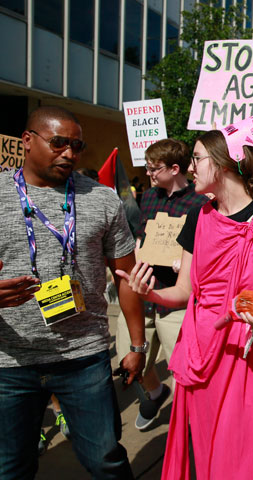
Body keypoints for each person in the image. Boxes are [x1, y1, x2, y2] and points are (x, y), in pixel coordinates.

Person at [117, 126, 253, 479]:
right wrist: (149, 294)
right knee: (206, 446)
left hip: (248, 355)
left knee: (240, 454)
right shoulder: (198, 216)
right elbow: (184, 290)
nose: (190, 167)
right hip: (200, 351)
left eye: (196, 158)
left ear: (223, 164)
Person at [0, 105, 146, 478]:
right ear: (28, 141)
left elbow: (125, 277)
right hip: (10, 363)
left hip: (84, 359)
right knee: (11, 467)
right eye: (59, 143)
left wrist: (137, 345)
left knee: (106, 461)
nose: (69, 153)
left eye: (77, 146)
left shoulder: (102, 199)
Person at [115, 139, 208, 431]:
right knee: (127, 359)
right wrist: (139, 249)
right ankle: (155, 393)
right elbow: (143, 234)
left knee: (183, 368)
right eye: (148, 168)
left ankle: (190, 423)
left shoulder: (202, 202)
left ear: (175, 168)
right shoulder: (149, 198)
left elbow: (205, 247)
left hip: (175, 299)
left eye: (154, 169)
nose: (149, 174)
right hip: (141, 293)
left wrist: (190, 260)